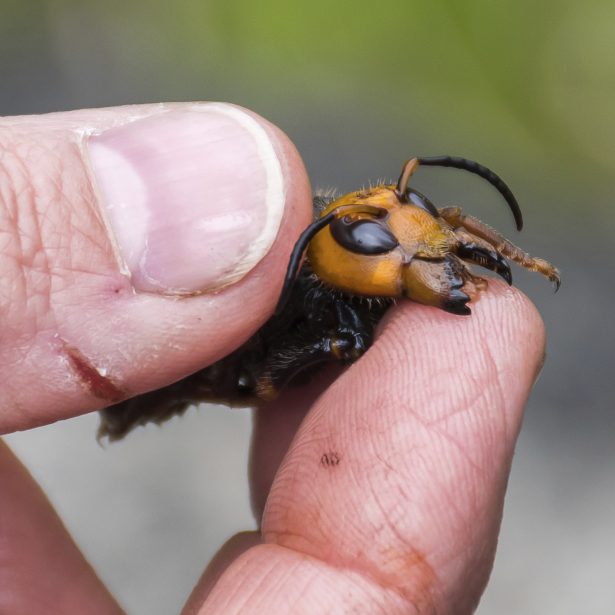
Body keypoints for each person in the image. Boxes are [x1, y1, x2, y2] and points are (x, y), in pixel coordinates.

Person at [0, 103, 545, 614]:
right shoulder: (307, 291)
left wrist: (509, 253)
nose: (421, 235)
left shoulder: (375, 265)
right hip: (218, 369)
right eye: (380, 236)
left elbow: (442, 217)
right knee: (295, 359)